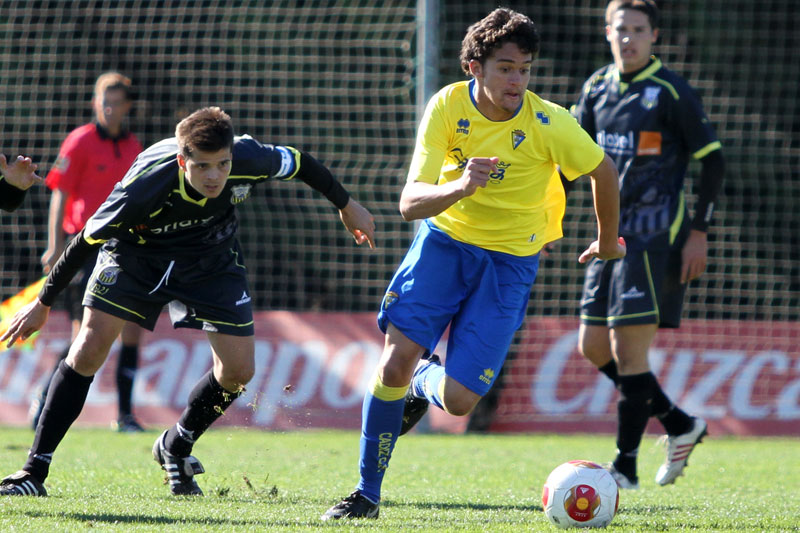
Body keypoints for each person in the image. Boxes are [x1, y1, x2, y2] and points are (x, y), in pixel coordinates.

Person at [322, 8, 625, 521]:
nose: (517, 80)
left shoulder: (548, 121)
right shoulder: (446, 107)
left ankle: (425, 381)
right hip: (444, 245)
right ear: (475, 67)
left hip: (510, 264)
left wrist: (606, 241)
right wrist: (461, 185)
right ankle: (366, 494)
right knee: (392, 361)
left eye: (525, 68)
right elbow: (409, 202)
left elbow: (604, 170)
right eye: (505, 67)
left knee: (460, 400)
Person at [0, 106, 376, 497]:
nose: (214, 176)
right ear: (183, 161)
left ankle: (175, 446)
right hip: (135, 255)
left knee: (238, 370)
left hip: (209, 258)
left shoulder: (250, 158)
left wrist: (346, 205)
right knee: (89, 348)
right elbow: (84, 242)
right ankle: (32, 472)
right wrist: (44, 302)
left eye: (222, 164)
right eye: (203, 167)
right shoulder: (144, 187)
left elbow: (301, 163)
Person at [572, 0, 724, 489]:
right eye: (621, 29)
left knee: (628, 351)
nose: (628, 38)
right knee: (592, 346)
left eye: (639, 30)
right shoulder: (596, 87)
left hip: (656, 237)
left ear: (653, 36)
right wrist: (547, 219)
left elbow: (713, 161)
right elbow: (570, 158)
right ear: (607, 32)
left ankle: (626, 467)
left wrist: (698, 231)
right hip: (608, 235)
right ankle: (680, 423)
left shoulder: (670, 91)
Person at [31, 72, 147, 432]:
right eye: (104, 101)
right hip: (86, 246)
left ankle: (125, 416)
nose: (110, 109)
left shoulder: (134, 147)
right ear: (95, 103)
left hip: (125, 248)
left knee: (132, 330)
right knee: (85, 336)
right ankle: (45, 401)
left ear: (128, 107)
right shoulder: (79, 141)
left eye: (117, 102)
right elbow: (60, 193)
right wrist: (55, 245)